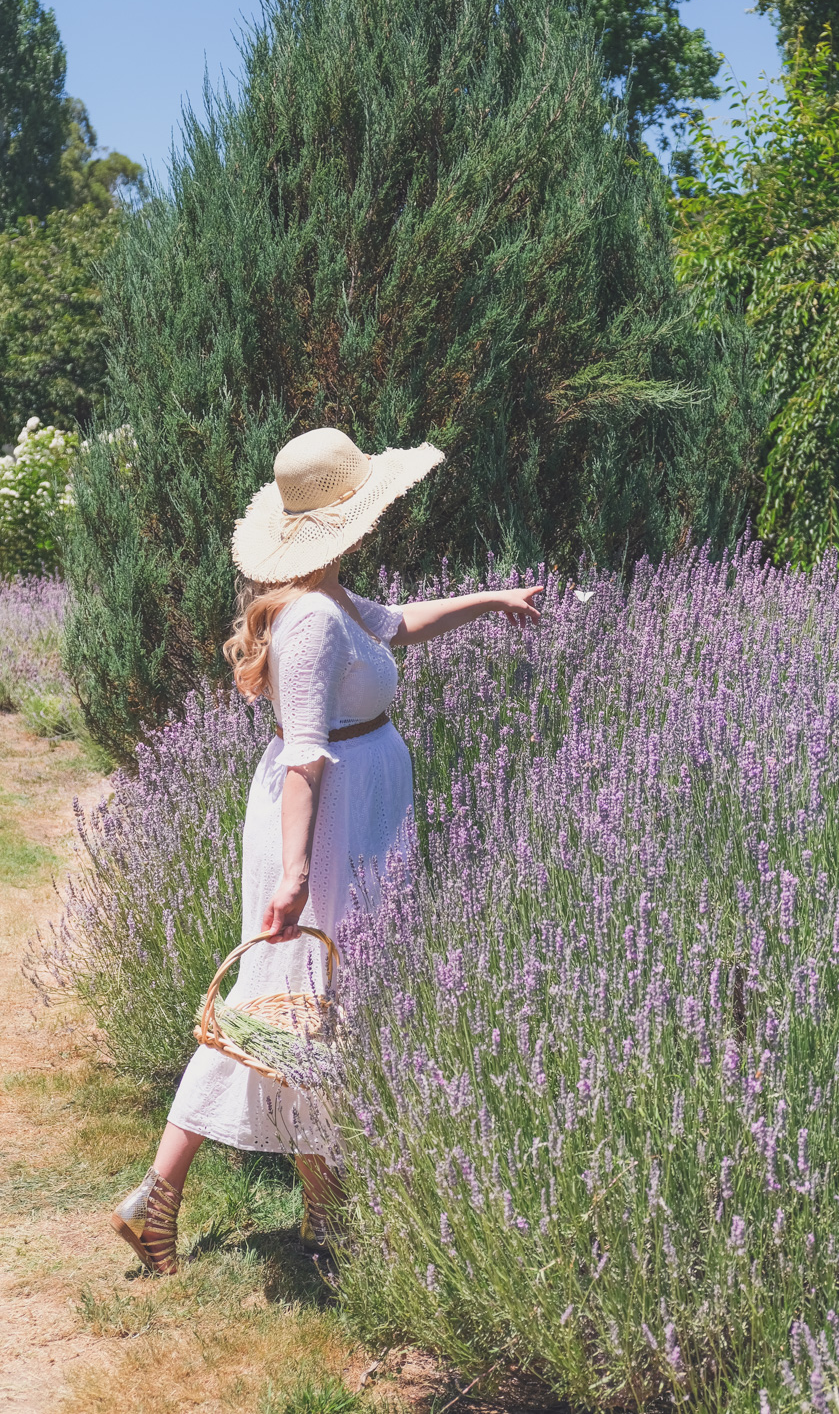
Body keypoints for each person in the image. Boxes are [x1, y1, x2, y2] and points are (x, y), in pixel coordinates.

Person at [110, 426, 542, 1274]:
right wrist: (299, 875)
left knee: (313, 1014)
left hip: (355, 817)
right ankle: (182, 1200)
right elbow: (305, 753)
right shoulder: (309, 619)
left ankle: (307, 1208)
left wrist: (495, 601)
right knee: (291, 1009)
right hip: (323, 830)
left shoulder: (333, 598)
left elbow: (401, 626)